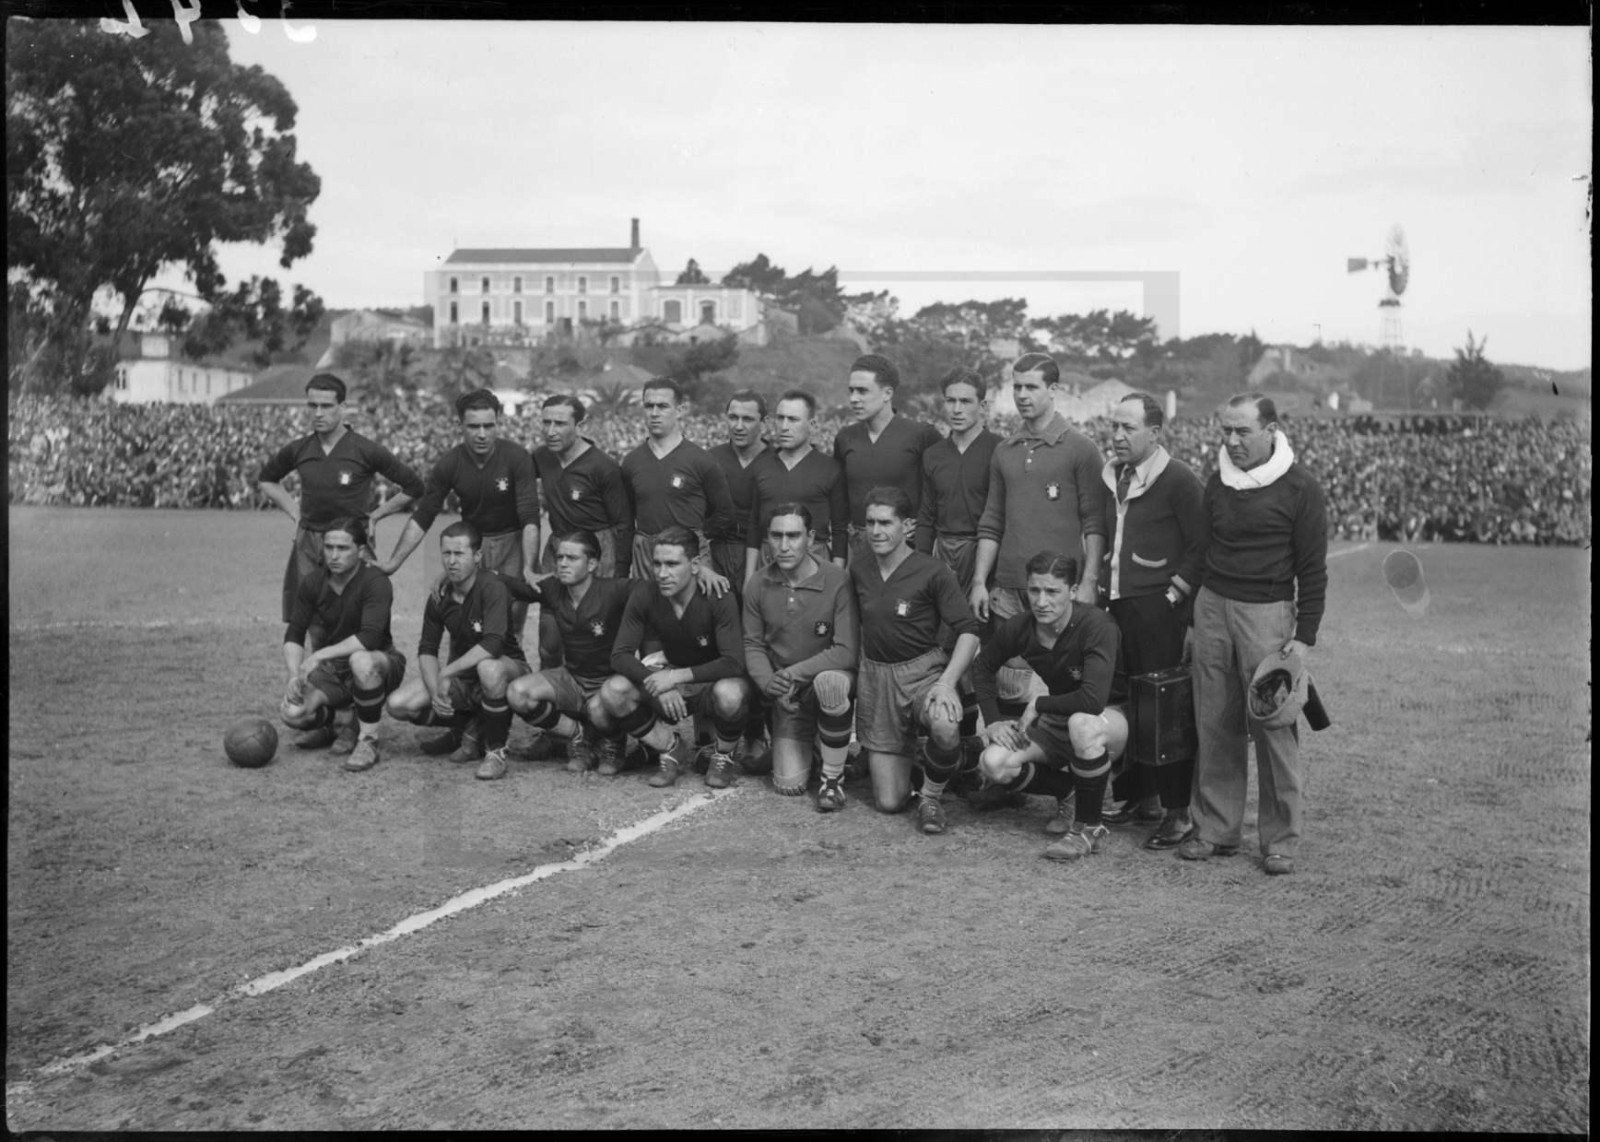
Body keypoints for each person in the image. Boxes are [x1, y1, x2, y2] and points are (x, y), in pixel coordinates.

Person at [1183, 393, 1329, 876]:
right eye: (1226, 430)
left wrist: (1303, 637)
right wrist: (1192, 618)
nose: (1232, 440)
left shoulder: (1300, 488)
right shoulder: (1218, 482)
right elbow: (1202, 550)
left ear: (1270, 430)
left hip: (1267, 614)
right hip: (1211, 608)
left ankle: (1280, 839)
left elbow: (1312, 570)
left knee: (1273, 723)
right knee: (1213, 720)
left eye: (1243, 431)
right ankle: (1215, 829)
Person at [970, 352, 1108, 833]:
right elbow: (992, 520)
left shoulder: (1080, 449)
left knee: (1058, 697)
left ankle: (1070, 796)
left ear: (1055, 390)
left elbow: (1094, 523)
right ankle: (1005, 781)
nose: (1023, 395)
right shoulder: (1005, 450)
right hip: (1009, 589)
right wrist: (979, 580)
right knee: (1008, 691)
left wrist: (1087, 583)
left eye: (1032, 387)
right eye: (1017, 387)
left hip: (1060, 598)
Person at [1095, 391, 1206, 849]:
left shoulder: (1178, 479)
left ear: (1155, 433)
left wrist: (1175, 592)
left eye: (1128, 428)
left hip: (1158, 609)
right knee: (1127, 701)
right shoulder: (1112, 477)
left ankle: (1178, 811)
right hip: (1117, 604)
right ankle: (1141, 798)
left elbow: (1202, 545)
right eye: (1114, 427)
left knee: (1165, 707)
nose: (1117, 436)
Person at [973, 551, 1128, 860]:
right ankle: (1069, 790)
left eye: (1052, 592)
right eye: (1034, 590)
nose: (1041, 601)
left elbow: (1092, 699)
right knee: (993, 763)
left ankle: (1089, 829)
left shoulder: (1097, 625)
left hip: (1111, 718)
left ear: (1072, 591)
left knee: (1082, 724)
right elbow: (981, 667)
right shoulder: (1021, 626)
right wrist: (992, 720)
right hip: (1058, 719)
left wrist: (1039, 703)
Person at [850, 485, 981, 834]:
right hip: (878, 679)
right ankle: (929, 760)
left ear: (908, 526)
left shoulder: (933, 571)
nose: (876, 532)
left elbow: (969, 631)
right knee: (889, 803)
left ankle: (930, 797)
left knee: (944, 722)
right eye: (870, 523)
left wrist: (946, 683)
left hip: (923, 673)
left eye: (885, 523)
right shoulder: (858, 570)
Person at [257, 373, 425, 627]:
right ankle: (322, 666)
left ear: (343, 408)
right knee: (312, 618)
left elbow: (414, 486)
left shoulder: (365, 449)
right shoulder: (298, 448)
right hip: (310, 542)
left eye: (326, 406)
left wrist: (377, 515)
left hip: (352, 541)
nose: (318, 413)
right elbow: (267, 479)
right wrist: (295, 512)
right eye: (312, 406)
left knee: (358, 618)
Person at [596, 526, 752, 789]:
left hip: (712, 681)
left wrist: (673, 677)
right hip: (672, 675)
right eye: (656, 564)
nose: (662, 573)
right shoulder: (645, 592)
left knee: (731, 694)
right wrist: (658, 684)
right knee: (612, 691)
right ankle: (670, 747)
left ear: (694, 566)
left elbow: (734, 662)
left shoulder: (719, 594)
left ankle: (723, 755)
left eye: (671, 564)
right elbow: (620, 655)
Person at [383, 521, 533, 782]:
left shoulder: (492, 587)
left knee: (489, 668)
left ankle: (495, 752)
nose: (451, 561)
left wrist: (447, 672)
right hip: (466, 679)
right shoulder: (439, 595)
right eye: (446, 553)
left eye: (459, 554)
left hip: (509, 669)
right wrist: (434, 690)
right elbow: (427, 648)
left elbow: (493, 645)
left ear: (477, 556)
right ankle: (465, 727)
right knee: (398, 704)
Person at [743, 503, 859, 810]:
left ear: (810, 538)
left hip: (822, 683)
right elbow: (752, 645)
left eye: (793, 536)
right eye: (776, 536)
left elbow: (847, 651)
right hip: (785, 693)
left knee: (830, 682)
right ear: (766, 538)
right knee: (789, 785)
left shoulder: (838, 579)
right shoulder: (757, 583)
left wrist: (790, 676)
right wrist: (771, 684)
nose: (783, 545)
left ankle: (832, 780)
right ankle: (815, 746)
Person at [914, 367, 1001, 760]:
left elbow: (1002, 517)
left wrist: (991, 576)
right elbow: (927, 516)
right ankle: (959, 747)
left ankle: (990, 746)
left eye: (966, 401)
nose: (957, 408)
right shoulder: (934, 454)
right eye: (950, 400)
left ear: (983, 405)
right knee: (946, 648)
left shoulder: (998, 449)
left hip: (985, 555)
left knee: (982, 650)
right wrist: (919, 569)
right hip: (943, 555)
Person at [503, 530, 639, 775]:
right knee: (517, 693)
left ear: (592, 564)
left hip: (606, 683)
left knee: (600, 710)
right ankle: (578, 735)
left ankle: (614, 742)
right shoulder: (553, 588)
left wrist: (699, 571)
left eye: (572, 558)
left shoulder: (614, 590)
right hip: (572, 678)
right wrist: (470, 574)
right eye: (560, 557)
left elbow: (656, 589)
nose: (563, 563)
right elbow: (512, 586)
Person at [278, 517, 407, 773]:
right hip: (335, 670)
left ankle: (368, 740)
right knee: (292, 712)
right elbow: (294, 633)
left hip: (380, 662)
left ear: (360, 550)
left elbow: (369, 638)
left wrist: (320, 655)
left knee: (361, 660)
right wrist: (294, 676)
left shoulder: (376, 581)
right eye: (329, 547)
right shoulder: (313, 582)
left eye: (343, 548)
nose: (334, 555)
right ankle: (341, 722)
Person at [619, 378, 737, 594]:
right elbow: (626, 520)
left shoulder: (701, 460)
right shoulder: (631, 461)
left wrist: (694, 539)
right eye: (649, 406)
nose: (654, 413)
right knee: (648, 619)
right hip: (646, 554)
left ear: (680, 410)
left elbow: (724, 514)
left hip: (689, 554)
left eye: (662, 406)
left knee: (692, 619)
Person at [832, 354, 942, 568]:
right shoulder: (845, 438)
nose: (854, 398)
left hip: (907, 548)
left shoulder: (921, 435)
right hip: (859, 549)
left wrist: (922, 538)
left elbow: (939, 493)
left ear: (887, 393)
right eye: (851, 391)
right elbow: (840, 505)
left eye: (862, 391)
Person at [743, 389, 849, 584]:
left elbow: (840, 530)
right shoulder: (761, 465)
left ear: (812, 424)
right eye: (780, 418)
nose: (784, 426)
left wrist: (838, 577)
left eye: (793, 419)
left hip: (815, 561)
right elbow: (754, 525)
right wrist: (749, 577)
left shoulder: (830, 468)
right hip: (769, 560)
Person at [532, 394, 632, 578]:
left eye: (560, 424)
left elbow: (623, 524)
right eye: (546, 423)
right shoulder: (541, 457)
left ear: (580, 427)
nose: (550, 431)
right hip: (558, 546)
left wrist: (621, 573)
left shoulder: (603, 467)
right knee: (553, 604)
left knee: (595, 606)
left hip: (597, 550)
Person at [708, 390, 770, 603]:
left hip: (762, 553)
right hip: (719, 551)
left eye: (748, 419)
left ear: (764, 422)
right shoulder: (711, 459)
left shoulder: (776, 461)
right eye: (733, 418)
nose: (739, 426)